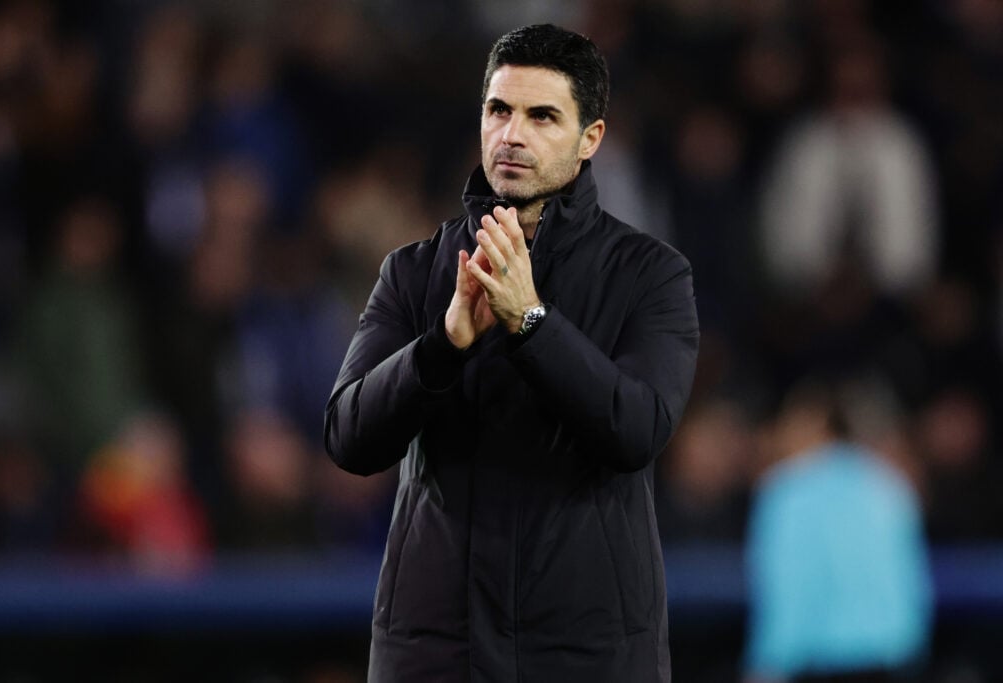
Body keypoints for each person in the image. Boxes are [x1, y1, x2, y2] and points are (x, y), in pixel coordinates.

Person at [325, 24, 699, 682]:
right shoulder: (415, 271)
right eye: (498, 110)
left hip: (590, 655)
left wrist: (531, 322)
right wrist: (441, 347)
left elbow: (637, 428)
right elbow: (350, 436)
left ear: (591, 139)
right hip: (438, 651)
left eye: (542, 115)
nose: (512, 134)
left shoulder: (651, 275)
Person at [743, 379, 933, 683]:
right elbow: (913, 584)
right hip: (891, 660)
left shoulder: (785, 491)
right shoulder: (888, 483)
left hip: (818, 663)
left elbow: (788, 584)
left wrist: (767, 664)